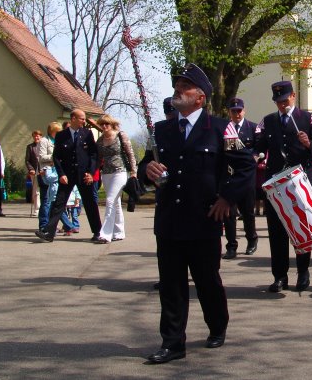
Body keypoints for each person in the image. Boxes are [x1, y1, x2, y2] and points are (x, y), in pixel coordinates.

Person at [139, 63, 254, 364]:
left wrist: (227, 198)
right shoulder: (160, 130)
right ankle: (173, 343)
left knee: (207, 281)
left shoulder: (220, 128)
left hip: (204, 220)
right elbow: (142, 167)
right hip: (169, 221)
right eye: (176, 85)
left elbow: (245, 166)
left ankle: (217, 326)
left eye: (184, 87)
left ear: (200, 97)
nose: (177, 90)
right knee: (171, 285)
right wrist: (147, 170)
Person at [253, 80, 312, 293]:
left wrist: (309, 144)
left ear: (293, 96)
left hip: (300, 183)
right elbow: (259, 147)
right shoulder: (268, 121)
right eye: (278, 101)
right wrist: (253, 154)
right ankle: (279, 276)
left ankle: (303, 272)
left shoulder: (307, 118)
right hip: (276, 183)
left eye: (285, 100)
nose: (282, 105)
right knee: (276, 231)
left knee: (302, 227)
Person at [35, 109, 102, 242]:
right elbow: (57, 157)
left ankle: (98, 232)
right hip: (67, 175)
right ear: (73, 119)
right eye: (81, 118)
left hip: (84, 175)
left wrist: (90, 172)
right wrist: (61, 174)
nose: (84, 121)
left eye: (84, 118)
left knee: (90, 204)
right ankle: (49, 233)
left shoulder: (87, 134)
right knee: (59, 203)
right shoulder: (61, 135)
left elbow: (94, 155)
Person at [222, 97, 259, 259]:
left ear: (244, 110)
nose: (236, 114)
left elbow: (259, 148)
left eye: (239, 110)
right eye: (233, 111)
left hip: (246, 176)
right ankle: (231, 246)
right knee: (229, 213)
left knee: (247, 211)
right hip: (228, 175)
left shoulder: (253, 128)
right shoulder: (224, 128)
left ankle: (252, 239)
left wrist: (257, 156)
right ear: (229, 112)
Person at [95, 114, 137, 243]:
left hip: (120, 172)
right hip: (106, 173)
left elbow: (130, 153)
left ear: (112, 124)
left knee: (110, 200)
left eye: (107, 124)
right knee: (116, 203)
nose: (104, 126)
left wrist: (134, 171)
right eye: (102, 124)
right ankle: (119, 232)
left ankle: (105, 234)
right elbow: (97, 159)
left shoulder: (120, 135)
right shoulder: (100, 140)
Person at [25, 130, 44, 216]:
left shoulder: (44, 146)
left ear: (41, 137)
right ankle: (37, 209)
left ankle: (46, 209)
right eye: (35, 136)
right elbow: (27, 160)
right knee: (36, 191)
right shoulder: (30, 147)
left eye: (38, 136)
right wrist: (31, 169)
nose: (36, 137)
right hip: (34, 172)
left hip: (44, 171)